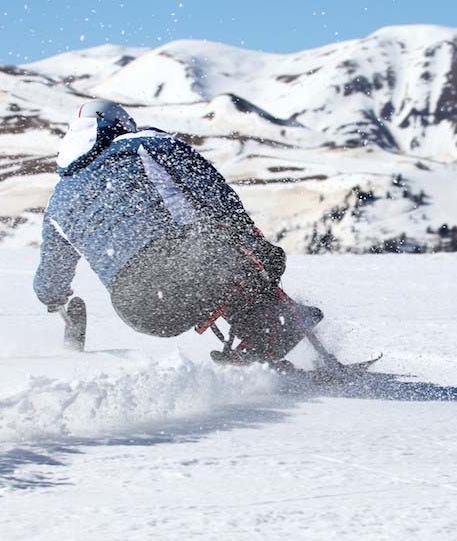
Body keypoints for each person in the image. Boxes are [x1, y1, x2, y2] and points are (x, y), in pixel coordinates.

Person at [32, 100, 321, 363]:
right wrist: (254, 242)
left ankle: (258, 348)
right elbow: (216, 194)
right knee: (236, 261)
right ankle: (273, 335)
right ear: (120, 126)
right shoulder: (149, 144)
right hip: (182, 266)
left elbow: (49, 282)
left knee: (207, 269)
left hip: (139, 309)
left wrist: (56, 302)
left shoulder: (58, 202)